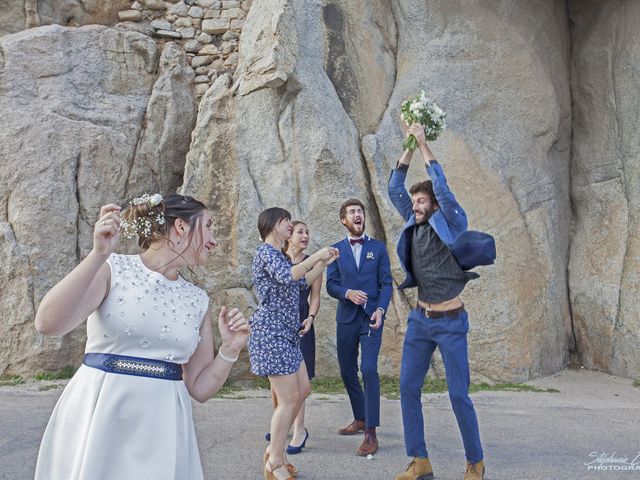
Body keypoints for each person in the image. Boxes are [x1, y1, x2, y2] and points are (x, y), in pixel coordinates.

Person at [34, 193, 250, 480]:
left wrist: (230, 350)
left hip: (163, 427)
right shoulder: (114, 269)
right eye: (209, 226)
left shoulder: (197, 299)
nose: (214, 240)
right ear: (181, 227)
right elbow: (48, 323)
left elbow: (199, 388)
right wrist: (98, 254)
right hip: (101, 414)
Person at [388, 124, 490, 480]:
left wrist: (425, 145)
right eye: (413, 202)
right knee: (407, 388)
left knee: (458, 394)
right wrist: (408, 148)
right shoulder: (411, 224)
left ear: (432, 206)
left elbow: (443, 189)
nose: (414, 206)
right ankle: (419, 461)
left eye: (420, 202)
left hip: (450, 322)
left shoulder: (451, 222)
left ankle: (475, 461)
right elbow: (392, 187)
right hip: (420, 319)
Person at [248, 208, 338, 480]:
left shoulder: (280, 256)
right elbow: (290, 276)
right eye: (287, 221)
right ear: (275, 224)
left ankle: (273, 451)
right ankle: (275, 461)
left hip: (287, 335)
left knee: (303, 390)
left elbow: (301, 284)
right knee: (288, 399)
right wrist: (318, 255)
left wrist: (324, 263)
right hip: (272, 333)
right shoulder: (265, 252)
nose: (291, 225)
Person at [326, 198, 393, 456]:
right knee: (347, 371)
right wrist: (348, 293)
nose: (358, 215)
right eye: (352, 212)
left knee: (369, 369)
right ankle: (360, 417)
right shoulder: (335, 250)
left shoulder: (378, 247)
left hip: (371, 317)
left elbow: (386, 283)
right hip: (346, 319)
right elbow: (331, 285)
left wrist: (380, 309)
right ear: (344, 220)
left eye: (360, 212)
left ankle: (371, 433)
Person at [283, 221, 321, 454]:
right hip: (280, 322)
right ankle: (282, 422)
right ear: (289, 237)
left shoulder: (315, 263)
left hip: (301, 322)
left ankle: (300, 430)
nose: (305, 235)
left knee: (300, 380)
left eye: (308, 232)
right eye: (300, 232)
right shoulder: (278, 259)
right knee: (279, 378)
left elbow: (315, 296)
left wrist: (312, 317)